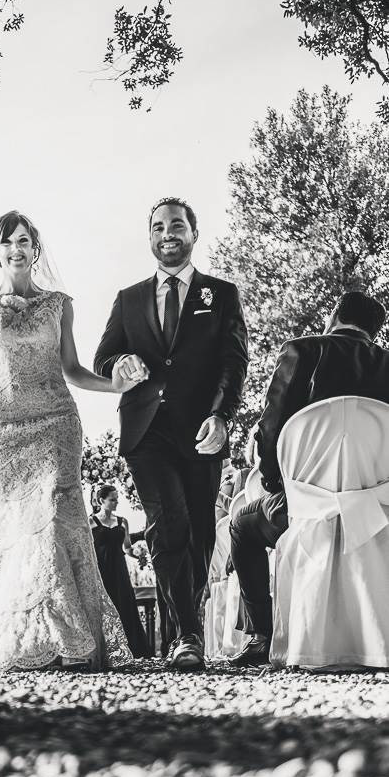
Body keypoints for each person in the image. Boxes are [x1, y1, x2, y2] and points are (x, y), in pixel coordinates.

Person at [0, 210, 140, 674]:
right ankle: (28, 638)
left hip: (57, 424)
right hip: (5, 429)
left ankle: (72, 638)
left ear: (36, 249)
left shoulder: (60, 304)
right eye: (8, 242)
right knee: (17, 524)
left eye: (25, 240)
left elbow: (72, 367)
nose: (17, 248)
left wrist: (114, 386)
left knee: (54, 516)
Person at [94, 196, 248, 669]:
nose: (167, 234)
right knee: (169, 521)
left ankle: (186, 626)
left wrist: (222, 416)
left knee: (201, 528)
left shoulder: (220, 294)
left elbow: (233, 361)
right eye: (158, 227)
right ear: (150, 238)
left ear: (193, 234)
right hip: (147, 430)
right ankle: (187, 634)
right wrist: (121, 362)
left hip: (203, 429)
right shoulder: (129, 298)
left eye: (176, 225)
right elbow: (103, 358)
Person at [229, 289, 389, 665]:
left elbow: (270, 434)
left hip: (303, 510)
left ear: (333, 317)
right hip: (379, 515)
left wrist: (277, 487)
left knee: (239, 526)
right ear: (374, 331)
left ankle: (261, 635)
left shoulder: (301, 350)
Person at [90, 484, 150, 657]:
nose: (116, 502)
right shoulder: (91, 521)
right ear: (102, 501)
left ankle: (130, 650)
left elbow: (127, 548)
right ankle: (104, 650)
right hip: (101, 570)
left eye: (117, 499)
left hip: (119, 569)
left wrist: (138, 554)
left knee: (124, 605)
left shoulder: (123, 521)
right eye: (112, 499)